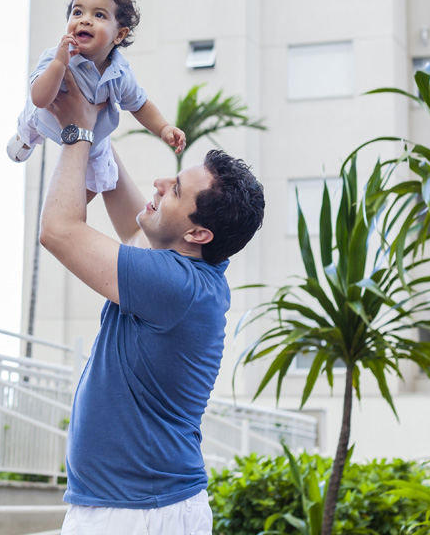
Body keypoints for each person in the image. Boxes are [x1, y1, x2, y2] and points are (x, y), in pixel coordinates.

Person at [38, 69, 265, 535]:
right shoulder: (189, 276)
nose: (160, 183)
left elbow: (58, 230)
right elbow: (133, 223)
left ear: (198, 233)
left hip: (138, 513)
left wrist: (77, 132)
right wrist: (96, 107)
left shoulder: (175, 285)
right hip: (140, 507)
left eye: (175, 190)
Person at [7, 0, 186, 197]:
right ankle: (24, 141)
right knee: (30, 124)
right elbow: (40, 98)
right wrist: (59, 64)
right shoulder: (56, 56)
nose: (85, 20)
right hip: (46, 115)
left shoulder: (120, 73)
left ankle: (72, 204)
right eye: (77, 12)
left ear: (119, 35)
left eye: (99, 15)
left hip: (93, 135)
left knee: (104, 177)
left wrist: (163, 128)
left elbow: (139, 105)